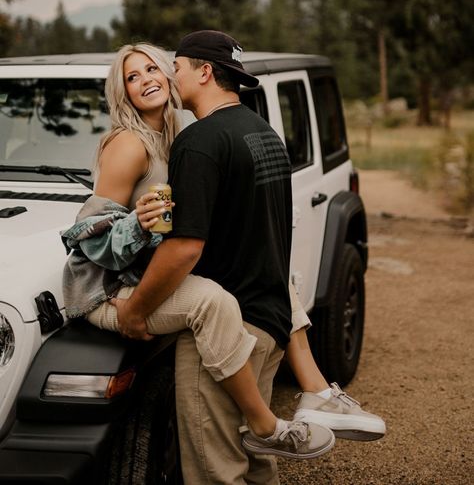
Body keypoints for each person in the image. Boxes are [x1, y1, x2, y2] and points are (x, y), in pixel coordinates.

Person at [111, 32, 384, 485]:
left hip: (224, 333)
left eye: (174, 66)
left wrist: (136, 309)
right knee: (257, 457)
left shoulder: (198, 142)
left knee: (217, 469)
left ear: (203, 72)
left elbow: (185, 247)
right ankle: (318, 394)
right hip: (269, 325)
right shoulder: (266, 134)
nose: (170, 75)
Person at [61, 42, 335, 466]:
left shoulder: (178, 137)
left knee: (274, 281)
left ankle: (319, 392)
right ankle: (263, 424)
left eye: (153, 69)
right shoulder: (129, 145)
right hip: (108, 289)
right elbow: (91, 239)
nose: (146, 80)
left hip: (148, 276)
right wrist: (137, 222)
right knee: (214, 300)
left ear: (172, 75)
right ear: (123, 92)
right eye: (132, 77)